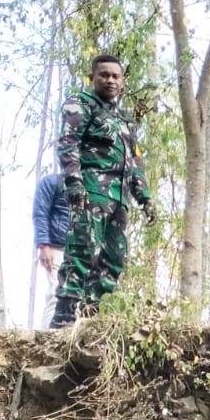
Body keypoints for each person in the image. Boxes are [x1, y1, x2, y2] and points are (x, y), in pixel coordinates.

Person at [51, 53, 154, 328]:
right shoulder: (81, 105)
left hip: (118, 200)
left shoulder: (123, 118)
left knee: (113, 258)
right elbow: (68, 143)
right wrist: (74, 182)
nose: (110, 80)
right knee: (82, 249)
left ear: (122, 83)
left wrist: (144, 198)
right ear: (93, 77)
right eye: (104, 75)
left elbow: (134, 160)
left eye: (115, 76)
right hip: (90, 192)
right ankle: (64, 313)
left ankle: (93, 314)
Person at [32, 171, 69, 273]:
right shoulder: (51, 182)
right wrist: (44, 245)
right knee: (58, 287)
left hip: (81, 250)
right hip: (56, 248)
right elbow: (40, 214)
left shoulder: (89, 186)